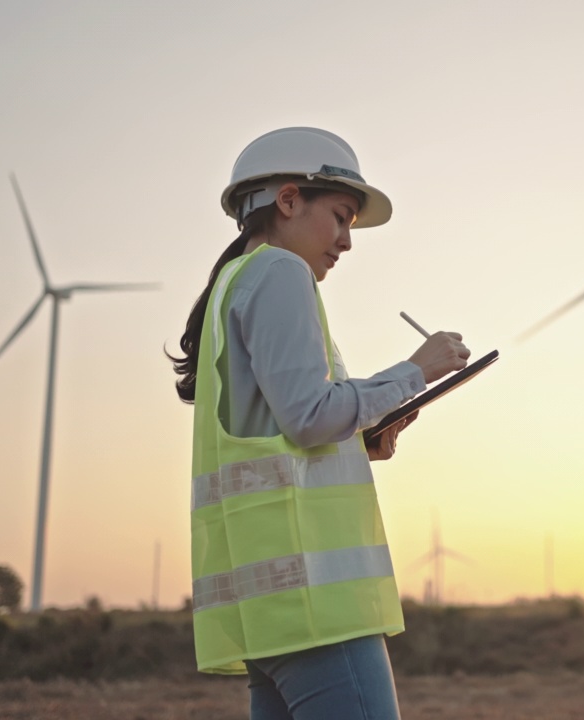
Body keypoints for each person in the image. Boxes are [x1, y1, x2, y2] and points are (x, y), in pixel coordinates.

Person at [169, 126, 470, 719]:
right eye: (339, 217)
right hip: (316, 606)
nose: (346, 241)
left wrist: (362, 439)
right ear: (287, 200)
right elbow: (310, 418)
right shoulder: (280, 272)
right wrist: (414, 371)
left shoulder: (236, 283)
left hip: (270, 615)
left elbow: (285, 427)